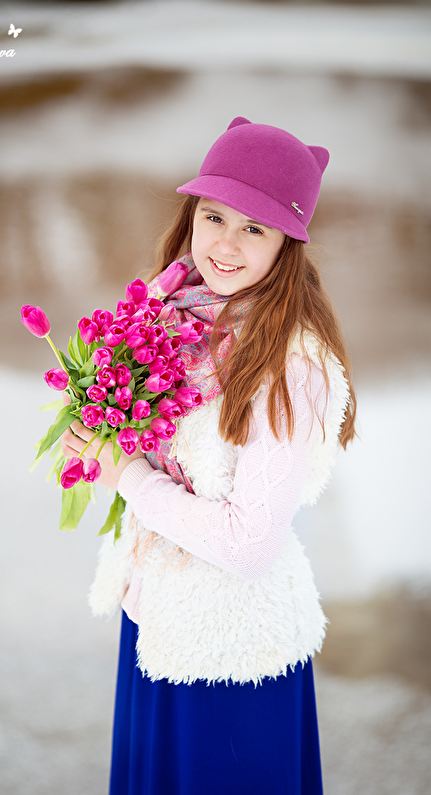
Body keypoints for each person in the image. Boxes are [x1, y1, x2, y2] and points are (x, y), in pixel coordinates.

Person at [61, 117, 357, 795]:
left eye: (253, 227)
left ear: (287, 242)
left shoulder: (290, 367)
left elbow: (249, 543)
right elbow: (156, 457)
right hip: (156, 620)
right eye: (212, 215)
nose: (223, 244)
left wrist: (127, 474)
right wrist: (97, 440)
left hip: (228, 651)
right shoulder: (168, 312)